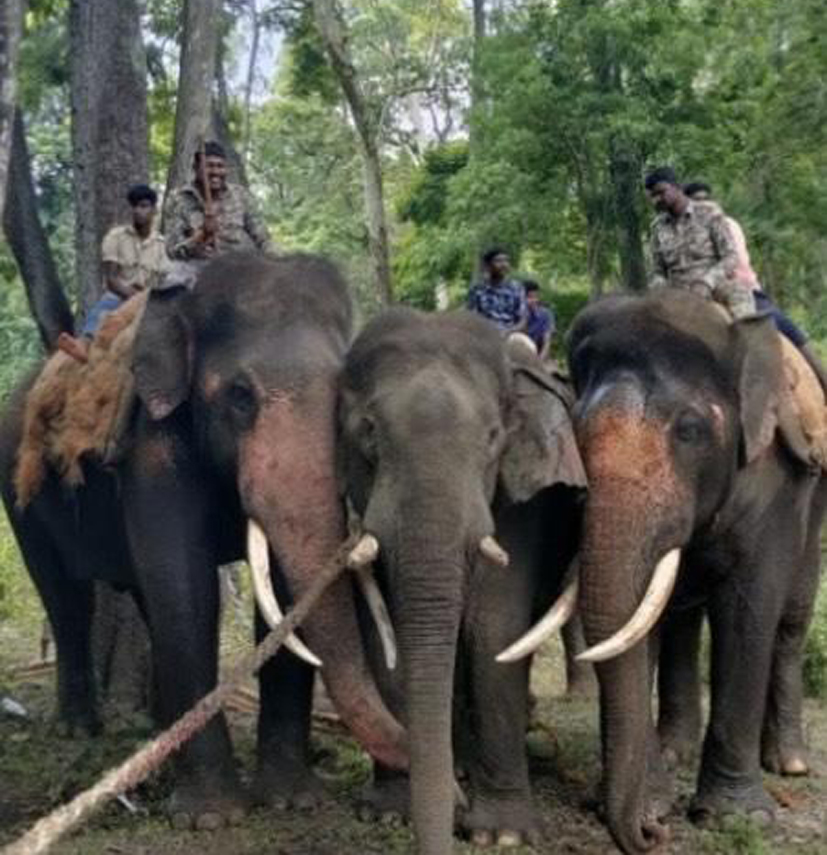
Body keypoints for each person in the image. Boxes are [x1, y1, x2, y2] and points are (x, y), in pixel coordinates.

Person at [684, 181, 827, 389]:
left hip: (742, 289)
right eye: (697, 202)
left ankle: (822, 378)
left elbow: (735, 262)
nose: (704, 206)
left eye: (706, 200)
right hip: (699, 296)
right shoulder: (682, 233)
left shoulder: (727, 225)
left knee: (786, 326)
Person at [57, 184, 169, 363]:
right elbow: (111, 279)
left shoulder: (160, 245)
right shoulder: (116, 237)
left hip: (148, 298)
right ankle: (84, 343)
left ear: (154, 210)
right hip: (121, 294)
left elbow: (164, 278)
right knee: (107, 303)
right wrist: (134, 298)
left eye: (143, 206)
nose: (137, 211)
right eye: (134, 206)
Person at [644, 167, 756, 320]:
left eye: (661, 192)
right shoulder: (657, 227)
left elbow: (730, 256)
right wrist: (661, 287)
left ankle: (749, 333)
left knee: (740, 297)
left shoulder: (709, 212)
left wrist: (707, 281)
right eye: (653, 196)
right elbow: (657, 271)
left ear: (676, 187)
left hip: (714, 285)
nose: (657, 199)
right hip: (677, 289)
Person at [163, 140, 274, 288]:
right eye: (209, 166)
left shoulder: (240, 195)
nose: (215, 172)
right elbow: (172, 250)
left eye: (220, 166)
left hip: (238, 264)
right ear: (196, 168)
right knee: (173, 281)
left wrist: (279, 262)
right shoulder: (178, 199)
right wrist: (200, 236)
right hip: (197, 267)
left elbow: (263, 238)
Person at [467, 247, 527, 334]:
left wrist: (508, 331)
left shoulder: (517, 288)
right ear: (488, 266)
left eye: (506, 260)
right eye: (498, 261)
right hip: (483, 333)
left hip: (510, 333)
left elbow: (522, 321)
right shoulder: (477, 289)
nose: (504, 264)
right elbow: (471, 317)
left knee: (524, 342)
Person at [523, 280, 555, 360]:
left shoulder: (546, 314)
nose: (533, 301)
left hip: (537, 354)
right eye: (529, 297)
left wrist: (539, 360)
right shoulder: (515, 312)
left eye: (535, 297)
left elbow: (547, 341)